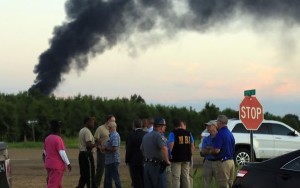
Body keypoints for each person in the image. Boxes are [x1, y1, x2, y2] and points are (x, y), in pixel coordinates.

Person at [141, 117, 171, 188]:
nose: (165, 127)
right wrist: (167, 161)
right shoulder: (158, 135)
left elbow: (141, 148)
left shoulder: (146, 135)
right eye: (164, 126)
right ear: (161, 127)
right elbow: (164, 148)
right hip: (156, 167)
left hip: (147, 166)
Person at [207, 115, 235, 188]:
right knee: (230, 183)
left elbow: (217, 150)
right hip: (231, 161)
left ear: (220, 122)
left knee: (223, 184)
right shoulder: (230, 133)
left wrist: (209, 151)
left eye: (217, 121)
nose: (216, 123)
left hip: (224, 162)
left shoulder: (220, 134)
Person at [44, 120, 72, 188]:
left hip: (49, 164)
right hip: (57, 166)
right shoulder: (58, 139)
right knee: (53, 185)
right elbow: (62, 153)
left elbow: (45, 152)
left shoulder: (47, 138)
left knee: (57, 184)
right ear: (58, 129)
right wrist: (68, 163)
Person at [168, 119, 194, 188]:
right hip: (186, 158)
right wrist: (190, 155)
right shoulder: (189, 133)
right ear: (180, 124)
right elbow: (192, 145)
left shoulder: (173, 133)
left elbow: (171, 146)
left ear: (174, 126)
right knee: (186, 177)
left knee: (176, 178)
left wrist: (169, 157)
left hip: (176, 159)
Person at [94, 115, 116, 188]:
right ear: (108, 121)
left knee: (108, 170)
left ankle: (106, 185)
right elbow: (96, 139)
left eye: (114, 121)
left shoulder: (113, 129)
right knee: (100, 169)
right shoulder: (100, 128)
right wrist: (99, 147)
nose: (114, 122)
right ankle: (96, 185)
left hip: (109, 153)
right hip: (101, 152)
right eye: (113, 121)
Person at [125, 118, 147, 188]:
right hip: (145, 160)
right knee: (144, 179)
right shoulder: (146, 134)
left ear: (134, 125)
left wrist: (127, 160)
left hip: (134, 161)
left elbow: (128, 149)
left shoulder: (130, 135)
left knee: (136, 180)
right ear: (141, 125)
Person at [76, 117, 97, 188]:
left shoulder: (82, 130)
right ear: (87, 122)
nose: (93, 124)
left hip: (82, 154)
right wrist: (97, 144)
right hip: (86, 155)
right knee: (90, 175)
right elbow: (88, 145)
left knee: (84, 176)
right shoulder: (87, 131)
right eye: (92, 122)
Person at [102, 121, 122, 188]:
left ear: (113, 127)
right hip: (109, 161)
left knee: (115, 178)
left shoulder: (114, 135)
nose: (108, 129)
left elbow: (114, 148)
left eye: (109, 127)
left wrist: (105, 148)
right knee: (108, 179)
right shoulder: (112, 136)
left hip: (113, 160)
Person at [199, 120, 219, 188]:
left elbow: (218, 150)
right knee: (205, 183)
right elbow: (202, 151)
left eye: (209, 126)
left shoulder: (220, 137)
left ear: (214, 126)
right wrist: (212, 149)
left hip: (218, 162)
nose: (207, 128)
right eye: (207, 126)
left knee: (220, 183)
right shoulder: (206, 139)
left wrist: (208, 149)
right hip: (208, 162)